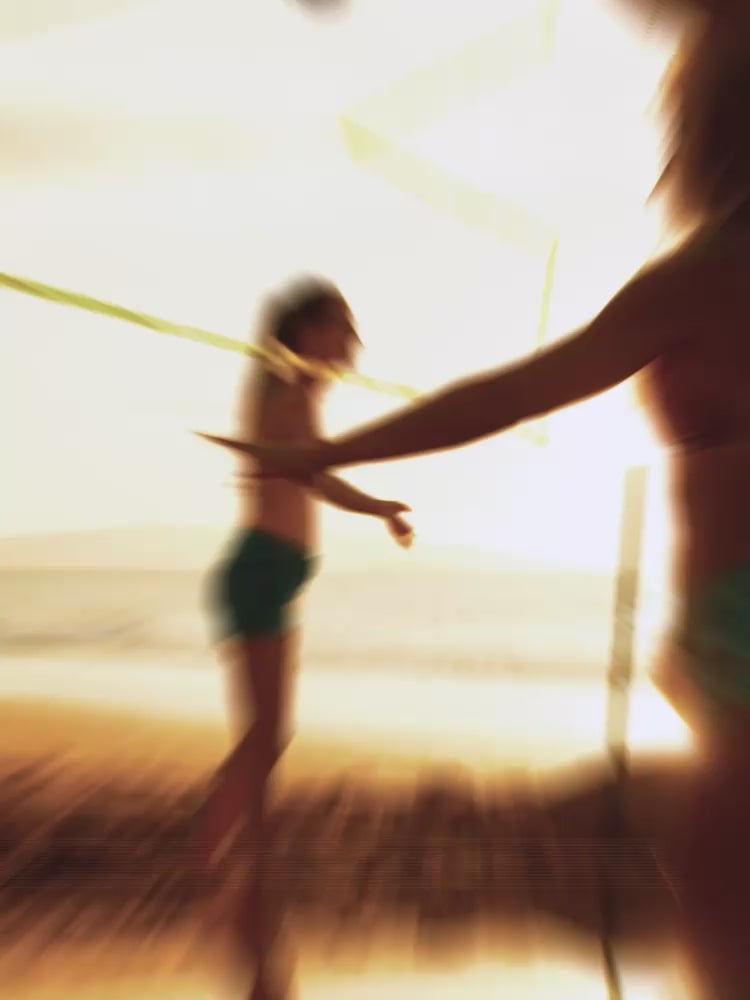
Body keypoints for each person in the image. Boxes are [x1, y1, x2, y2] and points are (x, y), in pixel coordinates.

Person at [202, 10, 750, 997]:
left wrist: (328, 451)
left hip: (733, 631)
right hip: (725, 639)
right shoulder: (696, 272)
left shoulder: (703, 272)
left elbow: (503, 399)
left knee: (726, 934)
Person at [192, 278, 413, 1000]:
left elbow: (309, 470)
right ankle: (228, 858)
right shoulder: (285, 392)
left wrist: (373, 502)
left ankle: (234, 861)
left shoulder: (297, 394)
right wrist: (376, 505)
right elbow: (310, 474)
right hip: (259, 573)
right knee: (267, 735)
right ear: (306, 330)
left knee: (268, 736)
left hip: (274, 578)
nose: (348, 342)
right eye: (338, 327)